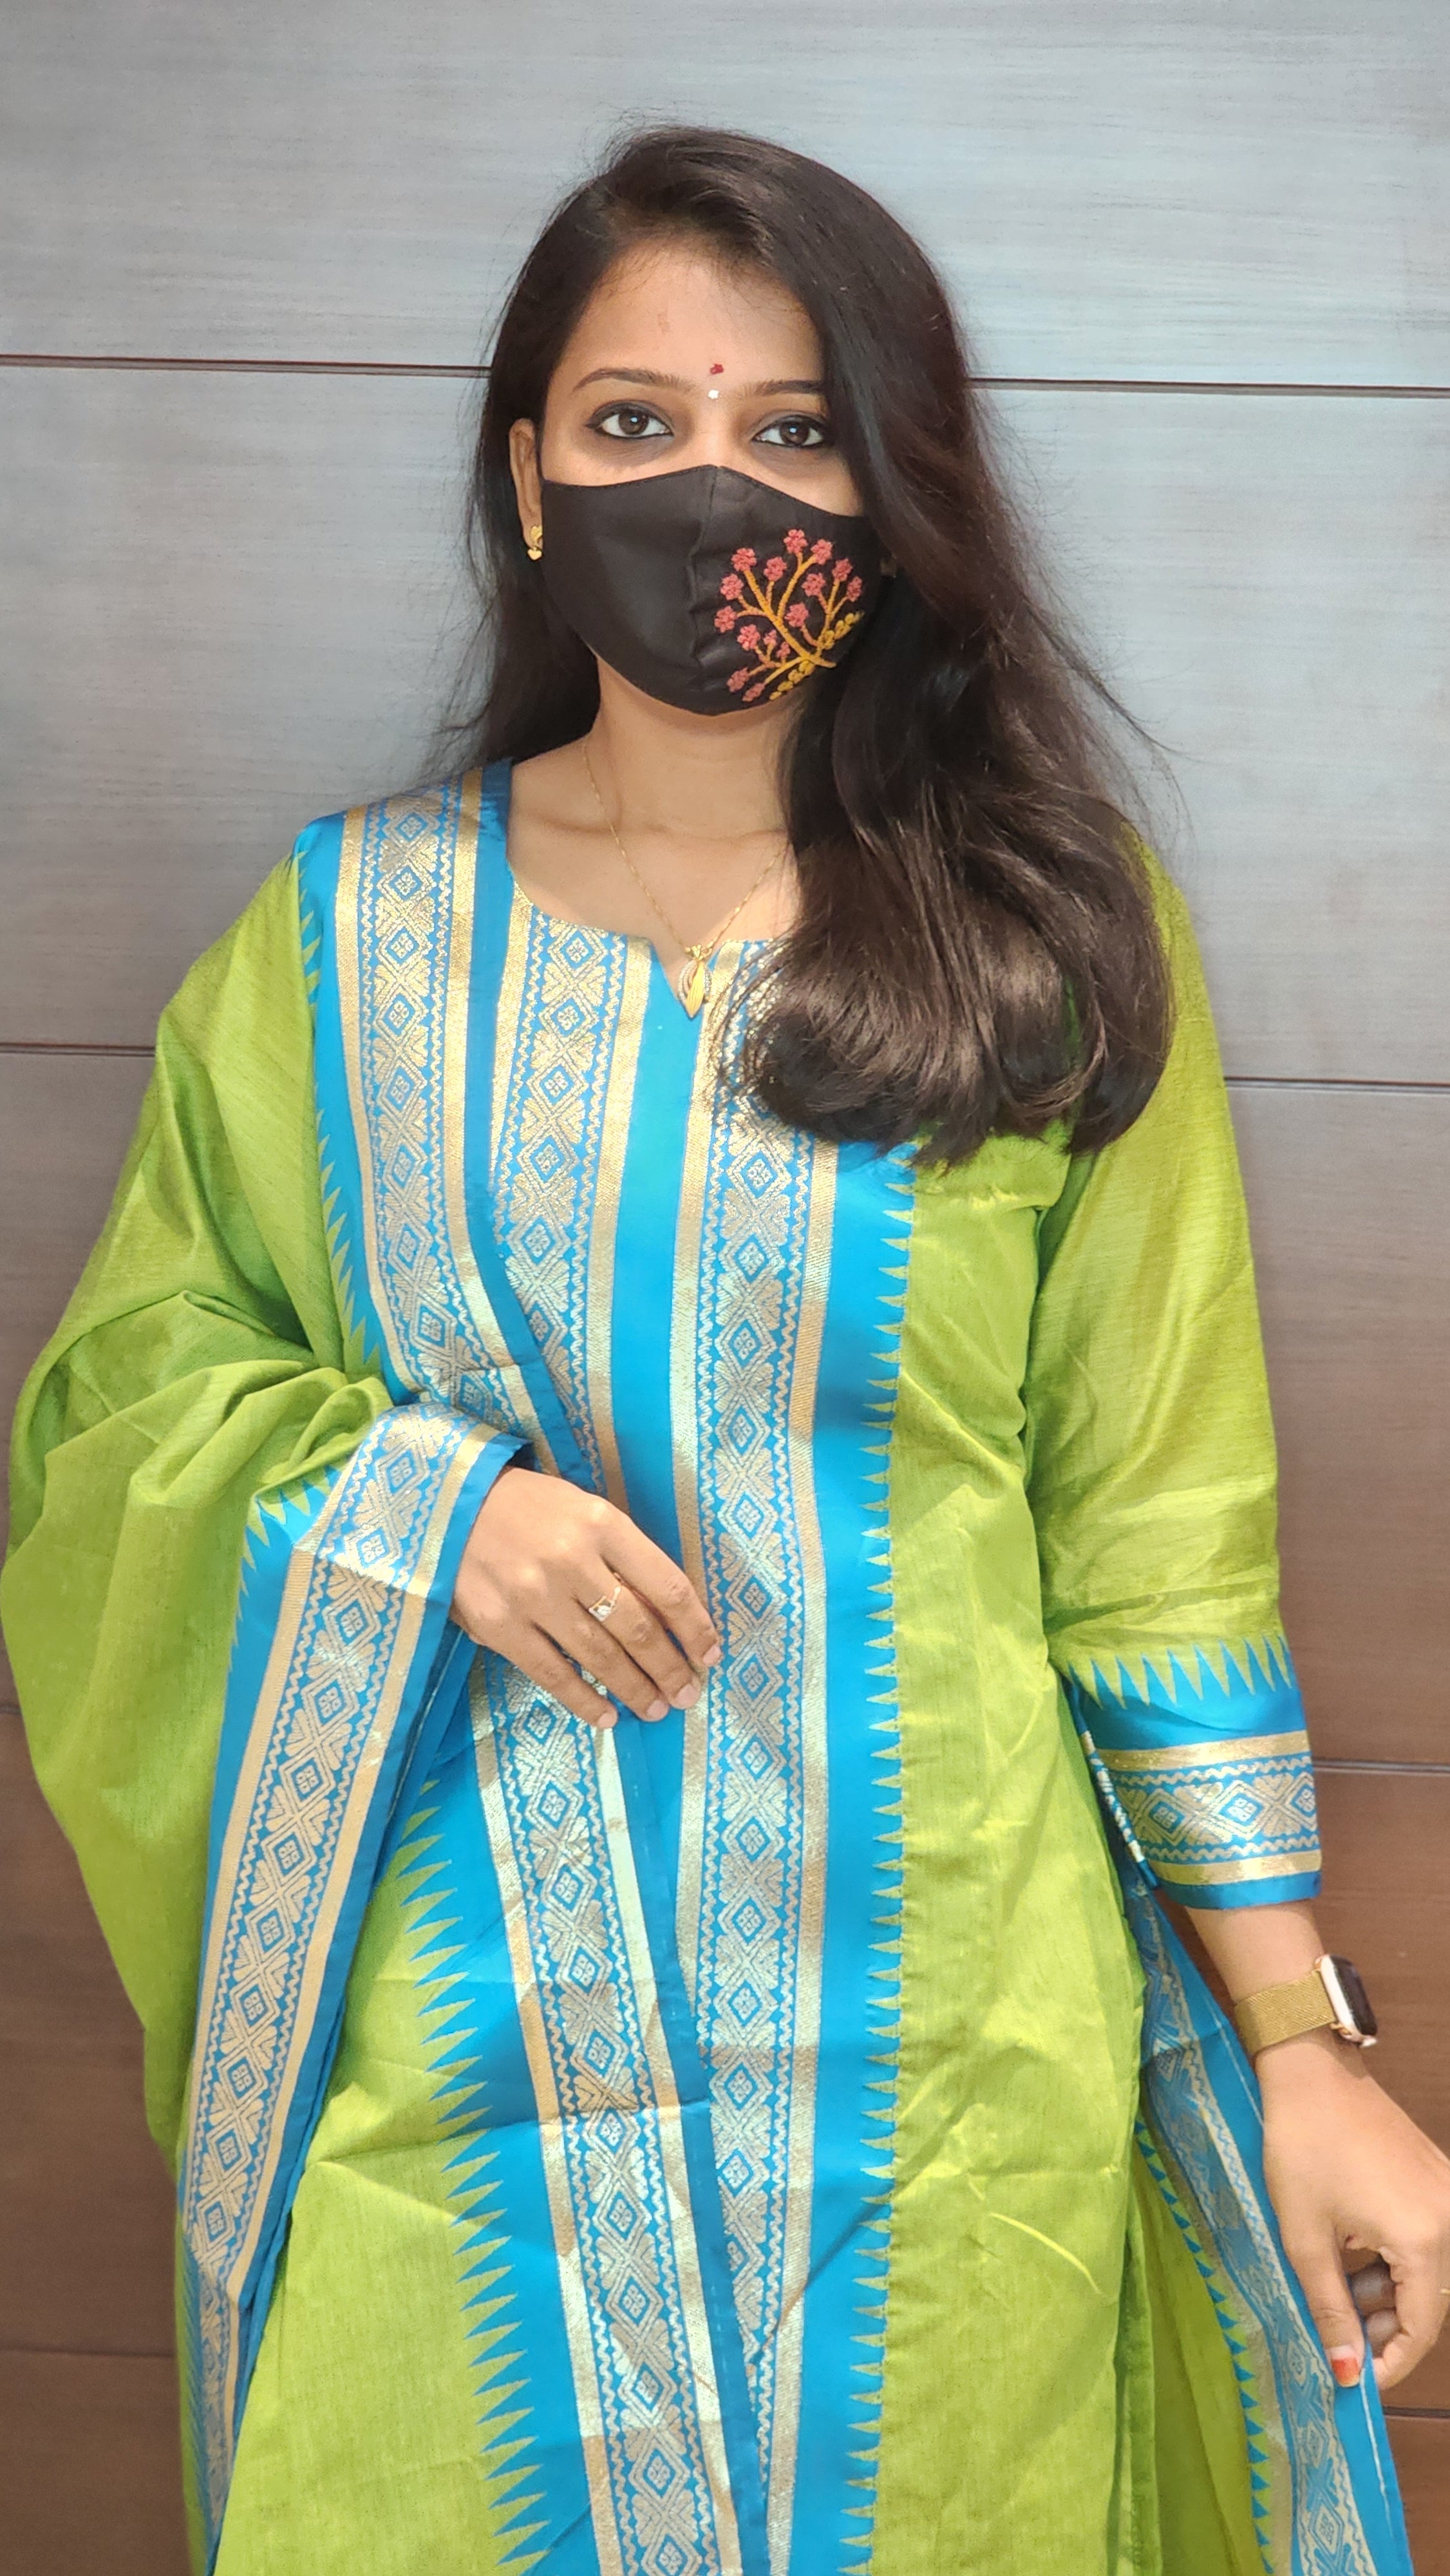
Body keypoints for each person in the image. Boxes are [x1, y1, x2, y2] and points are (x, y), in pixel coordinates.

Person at [5, 124, 1447, 2576]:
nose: (713, 491)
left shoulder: (1042, 946)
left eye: (792, 430)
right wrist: (426, 1514)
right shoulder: (336, 948)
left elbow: (1157, 1535)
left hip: (949, 2085)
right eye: (632, 421)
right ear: (527, 478)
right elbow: (118, 1413)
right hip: (464, 2071)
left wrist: (1305, 2054)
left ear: (889, 489)